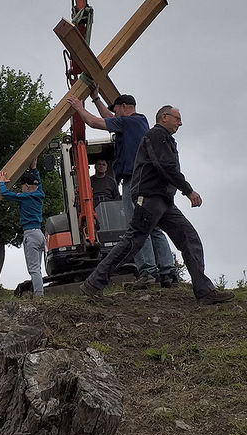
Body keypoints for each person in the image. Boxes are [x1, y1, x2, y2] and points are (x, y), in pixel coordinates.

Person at [80, 105, 234, 306]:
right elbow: (165, 166)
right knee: (132, 241)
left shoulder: (164, 138)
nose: (180, 123)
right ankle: (93, 284)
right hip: (150, 198)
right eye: (177, 118)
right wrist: (188, 190)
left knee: (189, 237)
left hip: (163, 201)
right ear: (164, 117)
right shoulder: (156, 135)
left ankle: (205, 292)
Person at [67, 91, 175, 287]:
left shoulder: (127, 122)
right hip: (148, 181)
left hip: (133, 181)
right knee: (154, 227)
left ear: (125, 107)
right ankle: (168, 272)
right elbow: (109, 118)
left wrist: (78, 107)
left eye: (116, 110)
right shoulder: (138, 123)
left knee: (137, 227)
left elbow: (95, 122)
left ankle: (148, 272)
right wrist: (95, 98)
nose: (114, 114)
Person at [0, 161, 46, 297]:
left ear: (26, 186)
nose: (21, 189)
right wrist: (34, 168)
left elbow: (5, 194)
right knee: (38, 268)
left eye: (22, 187)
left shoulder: (25, 197)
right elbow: (39, 182)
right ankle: (39, 293)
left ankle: (39, 296)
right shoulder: (39, 194)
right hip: (40, 235)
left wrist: (1, 181)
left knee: (34, 269)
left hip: (30, 235)